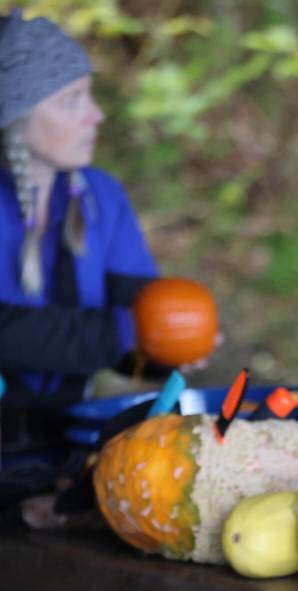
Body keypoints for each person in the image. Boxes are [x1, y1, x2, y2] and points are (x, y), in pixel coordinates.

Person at [0, 9, 163, 457]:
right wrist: (129, 332)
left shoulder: (101, 196)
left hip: (70, 438)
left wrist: (170, 345)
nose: (96, 115)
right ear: (17, 116)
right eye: (72, 100)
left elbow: (141, 314)